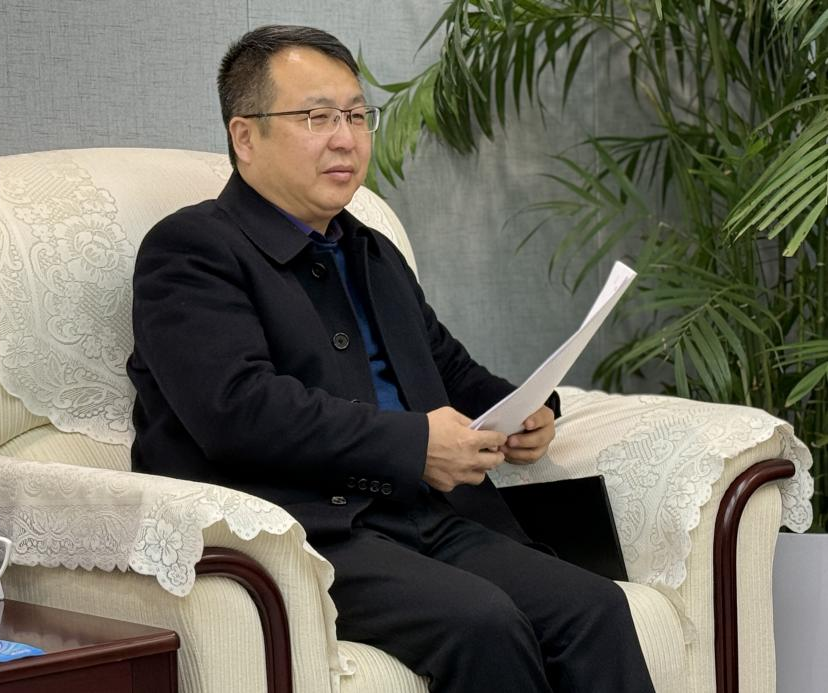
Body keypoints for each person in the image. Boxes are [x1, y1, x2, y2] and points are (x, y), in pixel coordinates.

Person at [127, 24, 655, 693]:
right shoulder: (190, 249)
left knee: (594, 606)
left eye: (356, 115)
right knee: (483, 622)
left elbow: (447, 369)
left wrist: (530, 410)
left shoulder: (369, 249)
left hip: (425, 517)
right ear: (246, 137)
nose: (345, 138)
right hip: (303, 532)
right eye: (317, 117)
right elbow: (239, 411)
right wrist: (415, 445)